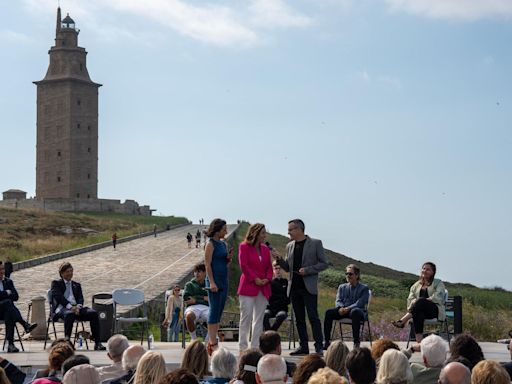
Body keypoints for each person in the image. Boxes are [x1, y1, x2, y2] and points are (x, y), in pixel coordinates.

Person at [274, 219, 328, 355]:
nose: (288, 232)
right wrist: (279, 259)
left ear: (299, 229)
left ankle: (318, 346)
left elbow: (324, 264)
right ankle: (303, 347)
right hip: (294, 287)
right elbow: (287, 268)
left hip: (308, 287)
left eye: (291, 229)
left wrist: (308, 270)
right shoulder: (289, 246)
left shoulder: (316, 243)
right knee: (299, 319)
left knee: (313, 317)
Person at [50, 262, 106, 350]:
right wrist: (70, 307)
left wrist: (78, 307)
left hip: (76, 308)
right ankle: (67, 341)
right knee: (69, 314)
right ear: (62, 273)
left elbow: (80, 298)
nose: (70, 273)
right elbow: (59, 297)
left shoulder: (76, 285)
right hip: (62, 309)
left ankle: (97, 342)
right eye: (67, 271)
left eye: (71, 271)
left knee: (93, 313)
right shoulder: (56, 283)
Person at [238, 223, 273, 351]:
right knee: (246, 317)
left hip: (263, 288)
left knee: (258, 318)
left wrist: (267, 279)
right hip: (248, 286)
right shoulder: (244, 246)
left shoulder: (265, 249)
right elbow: (244, 265)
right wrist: (255, 279)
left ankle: (254, 347)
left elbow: (269, 267)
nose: (265, 235)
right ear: (256, 233)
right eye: (263, 233)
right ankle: (243, 347)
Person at [392, 262, 446, 343]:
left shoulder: (438, 283)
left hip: (434, 310)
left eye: (428, 269)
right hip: (419, 310)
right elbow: (410, 298)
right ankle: (419, 343)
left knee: (421, 301)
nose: (425, 271)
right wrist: (414, 301)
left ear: (433, 272)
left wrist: (425, 300)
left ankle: (403, 320)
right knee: (418, 313)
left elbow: (439, 296)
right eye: (423, 269)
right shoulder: (416, 285)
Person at [323, 264, 369, 350]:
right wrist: (341, 307)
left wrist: (348, 308)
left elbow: (360, 303)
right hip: (343, 310)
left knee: (355, 312)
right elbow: (338, 300)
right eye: (346, 273)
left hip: (356, 312)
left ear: (357, 275)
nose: (348, 276)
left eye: (350, 274)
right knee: (328, 312)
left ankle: (356, 343)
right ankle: (326, 342)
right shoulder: (342, 287)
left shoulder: (364, 288)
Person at [204, 218, 232, 355]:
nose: (226, 232)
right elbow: (207, 264)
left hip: (223, 279)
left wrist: (228, 259)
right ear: (217, 230)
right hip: (214, 280)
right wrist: (212, 282)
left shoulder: (223, 244)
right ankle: (211, 342)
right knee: (214, 310)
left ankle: (213, 339)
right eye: (224, 229)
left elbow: (224, 262)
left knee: (219, 310)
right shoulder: (210, 244)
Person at [0, 261, 37, 352]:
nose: (2, 271)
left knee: (9, 313)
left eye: (3, 269)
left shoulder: (8, 281)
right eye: (0, 269)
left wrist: (4, 295)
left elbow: (16, 296)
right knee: (8, 303)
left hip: (5, 312)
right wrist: (6, 293)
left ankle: (11, 345)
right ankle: (24, 324)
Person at [183, 263, 209, 341]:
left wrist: (196, 299)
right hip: (193, 308)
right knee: (189, 316)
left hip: (207, 307)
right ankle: (194, 339)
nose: (196, 274)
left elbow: (211, 299)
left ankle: (208, 340)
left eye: (199, 271)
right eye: (195, 272)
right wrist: (203, 298)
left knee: (215, 317)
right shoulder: (189, 285)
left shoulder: (209, 284)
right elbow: (187, 299)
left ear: (205, 272)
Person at [263, 262, 289, 332]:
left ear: (282, 270)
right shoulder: (269, 283)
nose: (278, 270)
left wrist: (284, 302)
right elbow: (267, 297)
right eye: (276, 268)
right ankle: (269, 334)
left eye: (279, 268)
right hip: (270, 308)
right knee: (264, 314)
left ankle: (271, 333)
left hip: (282, 309)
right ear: (273, 270)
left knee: (281, 315)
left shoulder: (286, 282)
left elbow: (289, 298)